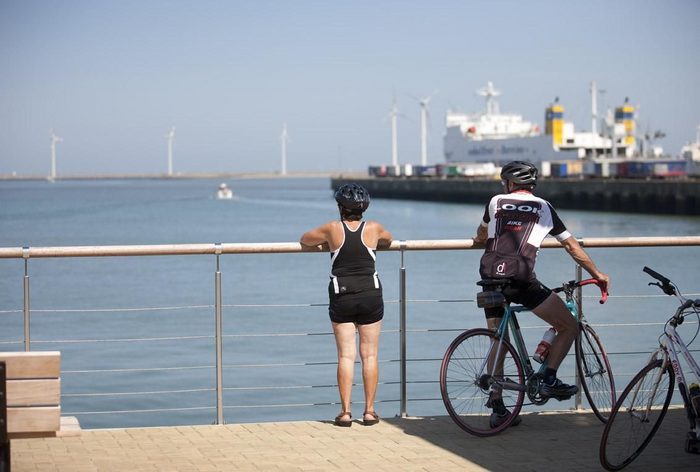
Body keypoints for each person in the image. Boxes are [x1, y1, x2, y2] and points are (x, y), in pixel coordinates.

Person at [473, 160, 610, 427]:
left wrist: (482, 238)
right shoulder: (544, 207)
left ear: (509, 184)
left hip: (489, 277)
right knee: (568, 325)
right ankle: (548, 378)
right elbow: (572, 246)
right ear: (531, 185)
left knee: (496, 338)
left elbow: (481, 234)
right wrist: (597, 274)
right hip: (521, 280)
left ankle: (498, 406)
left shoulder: (496, 202)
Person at [300, 183, 393, 427]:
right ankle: (370, 412)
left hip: (342, 295)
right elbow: (389, 240)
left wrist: (328, 244)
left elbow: (305, 240)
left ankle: (344, 413)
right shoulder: (374, 228)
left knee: (345, 355)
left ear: (341, 207)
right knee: (370, 355)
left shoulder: (332, 228)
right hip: (371, 293)